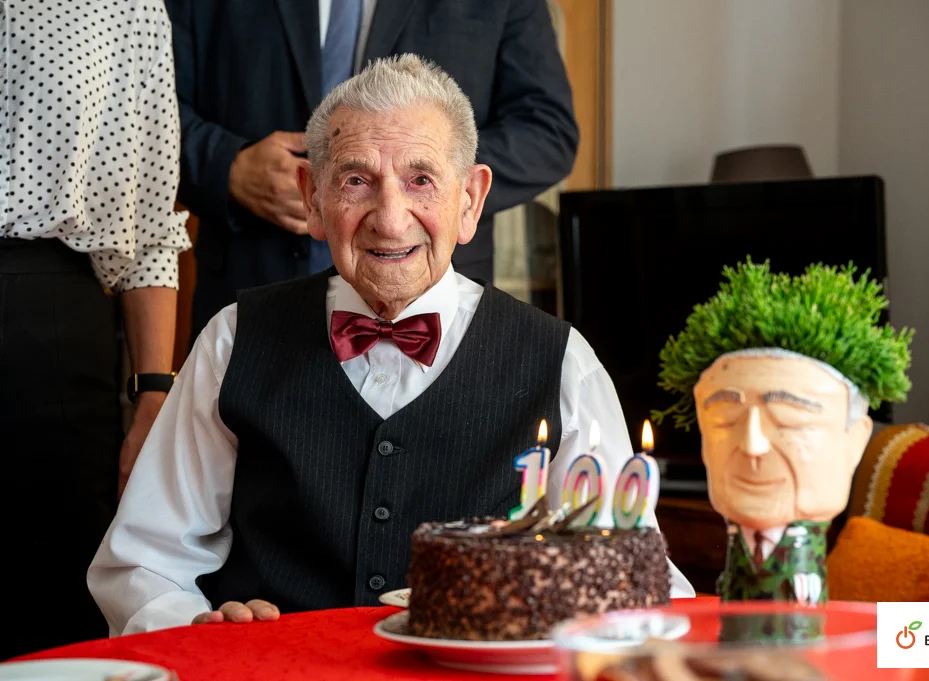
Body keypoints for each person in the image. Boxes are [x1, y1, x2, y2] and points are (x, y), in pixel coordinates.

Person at [87, 55, 692, 635]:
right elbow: (144, 560)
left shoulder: (561, 362)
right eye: (356, 181)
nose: (390, 218)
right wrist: (196, 627)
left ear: (470, 201)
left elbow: (636, 585)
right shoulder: (232, 339)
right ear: (313, 198)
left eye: (420, 180)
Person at [167, 0, 579, 345]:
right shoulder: (222, 342)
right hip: (252, 279)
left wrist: (424, 174)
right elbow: (149, 110)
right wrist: (229, 166)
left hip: (436, 301)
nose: (385, 215)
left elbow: (547, 130)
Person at [0, 0, 191, 659]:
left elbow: (150, 221)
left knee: (48, 616)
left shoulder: (123, 6)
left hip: (45, 323)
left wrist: (154, 394)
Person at [653, 260, 912, 610]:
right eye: (725, 420)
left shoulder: (888, 633)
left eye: (789, 420)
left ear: (855, 440)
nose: (752, 445)